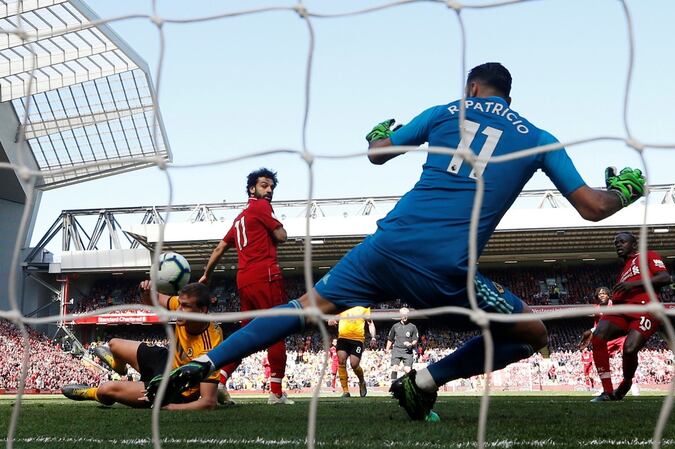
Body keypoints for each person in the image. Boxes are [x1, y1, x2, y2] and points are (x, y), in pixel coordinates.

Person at [150, 62, 645, 420]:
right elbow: (593, 208)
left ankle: (205, 361)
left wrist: (380, 131)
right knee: (531, 335)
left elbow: (377, 153)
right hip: (444, 268)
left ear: (473, 88)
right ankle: (424, 382)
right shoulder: (540, 137)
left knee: (306, 305)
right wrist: (626, 188)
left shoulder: (445, 110)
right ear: (507, 97)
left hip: (386, 244)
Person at [199, 167, 293, 405]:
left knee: (247, 334)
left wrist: (206, 275)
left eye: (271, 187)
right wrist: (278, 231)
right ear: (252, 188)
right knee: (277, 328)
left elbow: (219, 248)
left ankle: (219, 381)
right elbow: (282, 236)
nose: (269, 190)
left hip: (244, 280)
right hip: (266, 275)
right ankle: (276, 393)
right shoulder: (260, 207)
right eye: (264, 185)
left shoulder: (239, 218)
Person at [61, 281, 221, 410]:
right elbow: (152, 300)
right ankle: (119, 367)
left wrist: (170, 406)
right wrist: (146, 292)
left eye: (185, 306)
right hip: (167, 361)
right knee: (114, 343)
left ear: (203, 310)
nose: (177, 309)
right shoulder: (181, 309)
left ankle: (90, 392)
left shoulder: (210, 346)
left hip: (175, 388)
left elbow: (208, 402)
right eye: (179, 304)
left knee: (106, 389)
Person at [590, 232, 671, 402]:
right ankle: (607, 391)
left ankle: (626, 382)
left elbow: (665, 278)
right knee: (597, 336)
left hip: (645, 309)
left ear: (633, 244)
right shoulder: (624, 269)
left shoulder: (648, 255)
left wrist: (632, 284)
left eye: (622, 241)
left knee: (629, 348)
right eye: (615, 243)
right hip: (621, 310)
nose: (618, 245)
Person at [329, 306, 377, 397]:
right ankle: (345, 391)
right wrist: (332, 321)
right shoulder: (342, 304)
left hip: (357, 340)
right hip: (343, 338)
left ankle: (362, 381)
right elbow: (331, 320)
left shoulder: (364, 307)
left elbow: (370, 323)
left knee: (354, 364)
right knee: (341, 361)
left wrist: (373, 337)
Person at [386, 307, 419, 379]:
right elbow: (390, 339)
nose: (405, 317)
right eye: (403, 315)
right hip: (397, 350)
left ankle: (409, 386)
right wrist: (387, 349)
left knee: (407, 370)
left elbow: (415, 340)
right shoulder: (395, 326)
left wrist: (411, 344)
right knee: (395, 367)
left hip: (407, 351)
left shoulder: (413, 327)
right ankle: (393, 384)